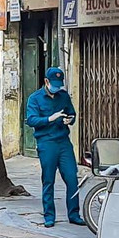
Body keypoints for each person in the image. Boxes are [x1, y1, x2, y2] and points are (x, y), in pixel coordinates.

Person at [25, 67, 86, 228]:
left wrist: (70, 119)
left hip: (63, 142)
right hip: (46, 143)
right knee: (48, 179)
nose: (57, 87)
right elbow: (31, 120)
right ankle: (49, 216)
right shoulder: (35, 98)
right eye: (54, 84)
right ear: (46, 81)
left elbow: (72, 114)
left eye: (59, 84)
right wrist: (49, 119)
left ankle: (74, 214)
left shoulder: (63, 96)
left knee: (72, 178)